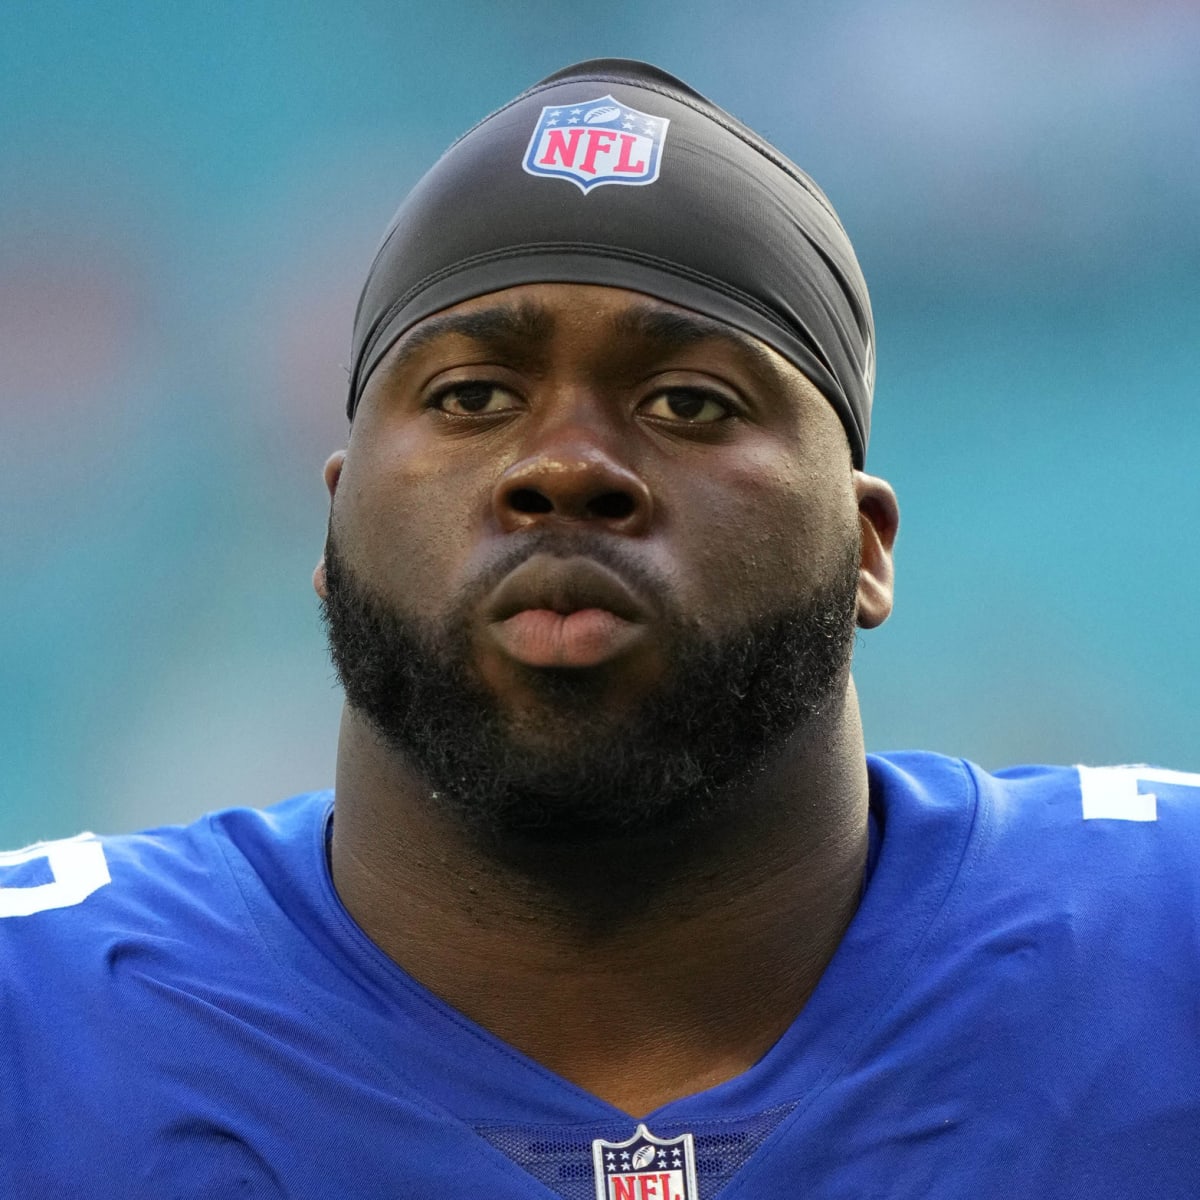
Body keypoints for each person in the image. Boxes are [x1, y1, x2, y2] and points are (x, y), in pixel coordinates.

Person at [1, 58, 1197, 1200]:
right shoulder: (36, 1018)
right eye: (471, 397)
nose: (567, 466)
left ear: (869, 546)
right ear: (332, 532)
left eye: (688, 402)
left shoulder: (1164, 945)